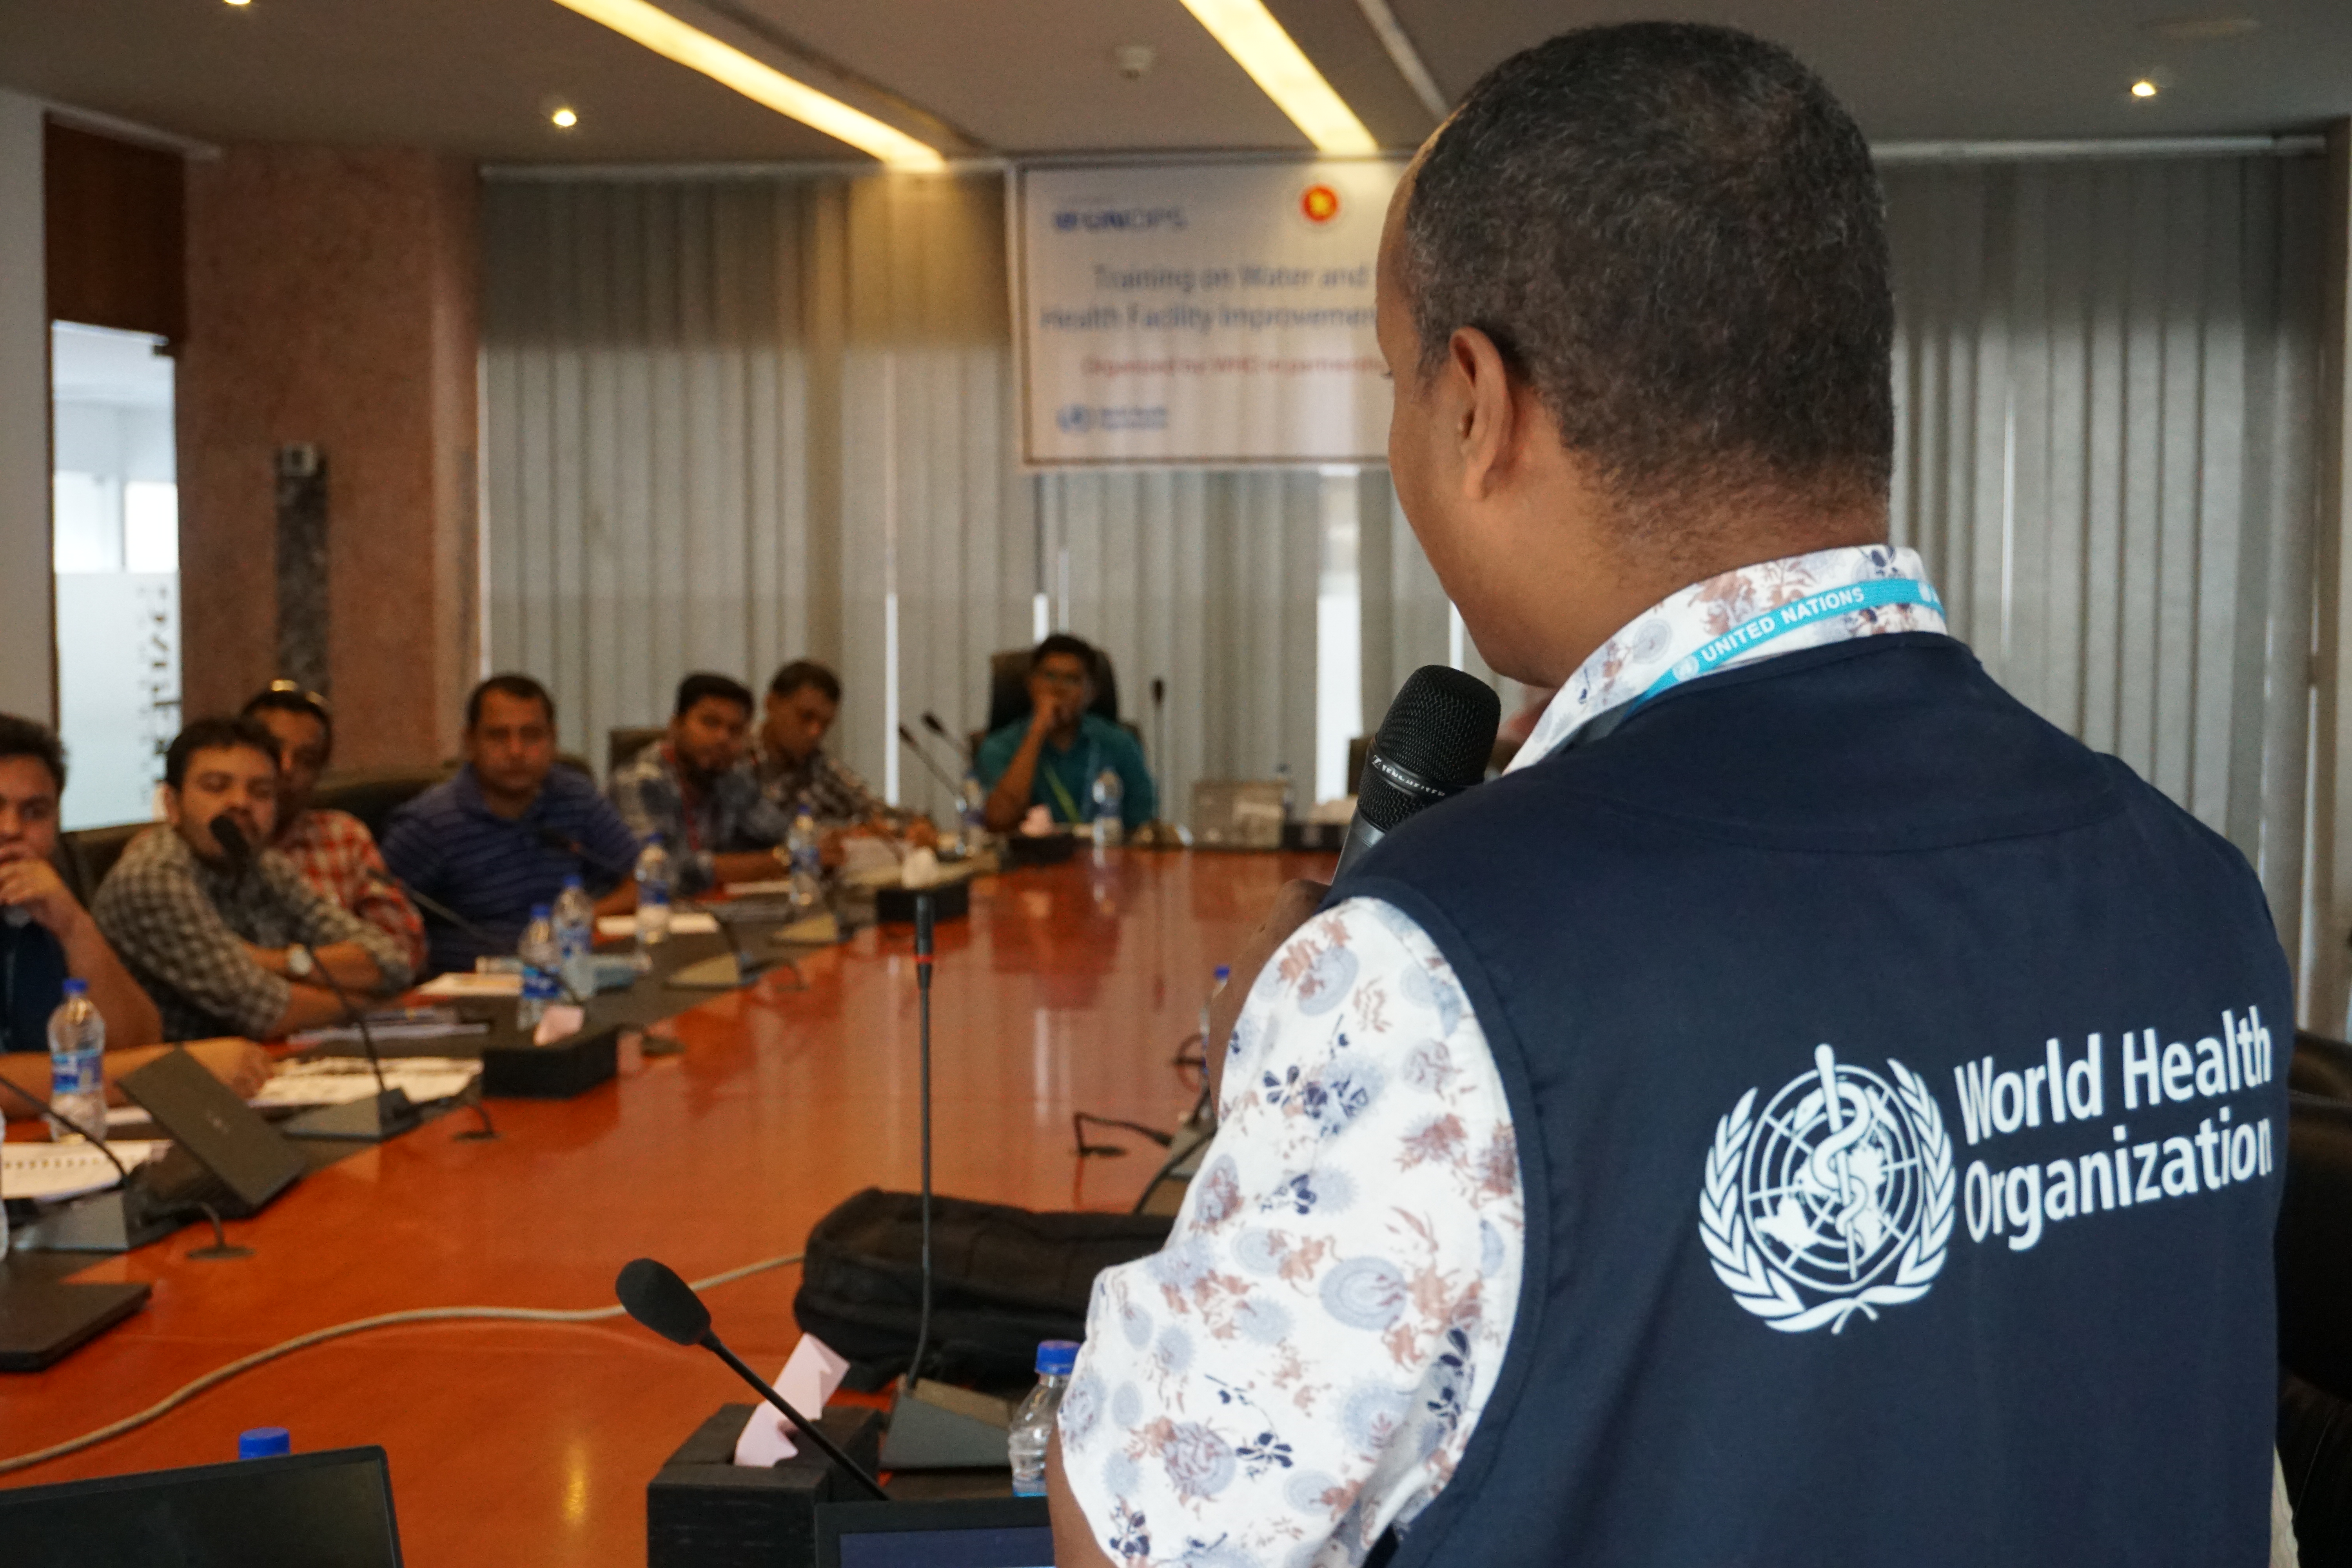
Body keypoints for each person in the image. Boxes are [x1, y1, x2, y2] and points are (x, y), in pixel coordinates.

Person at [1051, 24, 2289, 1568]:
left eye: (1391, 380)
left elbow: (1144, 1541)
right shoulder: (2196, 889)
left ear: (1476, 402)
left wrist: (1280, 1119)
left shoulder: (1429, 976)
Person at [0, 715, 267, 1117]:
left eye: (35, 812)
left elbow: (138, 1041)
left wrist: (76, 927)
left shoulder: (41, 904)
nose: (11, 829)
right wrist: (172, 1074)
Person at [93, 717, 413, 1043]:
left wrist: (280, 962)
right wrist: (377, 1007)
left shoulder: (263, 865)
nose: (241, 803)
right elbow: (268, 1012)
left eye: (261, 792)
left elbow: (393, 961)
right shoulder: (153, 878)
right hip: (183, 1068)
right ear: (172, 806)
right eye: (216, 787)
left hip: (269, 1058)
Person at [381, 675, 640, 975]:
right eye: (498, 736)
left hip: (570, 973)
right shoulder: (430, 824)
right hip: (474, 985)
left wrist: (582, 918)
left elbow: (643, 880)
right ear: (470, 743)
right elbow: (377, 926)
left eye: (531, 736)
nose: (516, 751)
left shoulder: (574, 796)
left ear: (553, 741)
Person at [240, 681, 428, 978]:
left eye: (307, 760)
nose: (287, 769)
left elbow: (404, 951)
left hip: (345, 1002)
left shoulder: (343, 836)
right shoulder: (204, 845)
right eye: (273, 751)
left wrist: (292, 964)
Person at [610, 672, 791, 896]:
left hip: (710, 907)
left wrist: (805, 848)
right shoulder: (641, 780)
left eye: (735, 730)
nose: (723, 738)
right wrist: (776, 861)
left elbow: (787, 834)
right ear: (676, 726)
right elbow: (660, 874)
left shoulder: (730, 777)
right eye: (710, 723)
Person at [975, 636, 1154, 836]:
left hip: (1105, 852)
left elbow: (1144, 825)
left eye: (1072, 680)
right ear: (1031, 684)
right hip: (1028, 854)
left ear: (1092, 693)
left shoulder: (1119, 744)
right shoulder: (1000, 746)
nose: (1059, 689)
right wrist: (1038, 730)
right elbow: (998, 820)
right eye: (1049, 677)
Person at [756, 659, 935, 848]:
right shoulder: (739, 761)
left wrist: (915, 825)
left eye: (825, 724)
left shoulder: (817, 764)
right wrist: (838, 834)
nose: (815, 732)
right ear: (771, 704)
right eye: (806, 717)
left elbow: (873, 808)